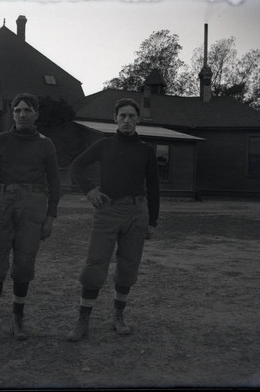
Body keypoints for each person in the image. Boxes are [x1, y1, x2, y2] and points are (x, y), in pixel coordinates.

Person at [0, 93, 60, 345]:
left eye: (27, 110)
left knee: (24, 265)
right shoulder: (1, 140)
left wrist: (50, 217)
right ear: (12, 114)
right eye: (17, 110)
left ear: (36, 113)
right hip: (4, 202)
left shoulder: (45, 144)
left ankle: (18, 321)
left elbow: (55, 181)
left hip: (35, 204)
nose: (22, 114)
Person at [67, 98, 160, 341]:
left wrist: (153, 221)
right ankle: (83, 320)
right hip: (107, 211)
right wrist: (89, 190)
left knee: (128, 266)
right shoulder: (103, 145)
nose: (127, 120)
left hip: (137, 213)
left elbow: (154, 187)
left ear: (138, 119)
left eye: (131, 116)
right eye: (122, 116)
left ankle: (118, 316)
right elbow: (76, 167)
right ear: (115, 119)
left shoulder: (146, 151)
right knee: (95, 265)